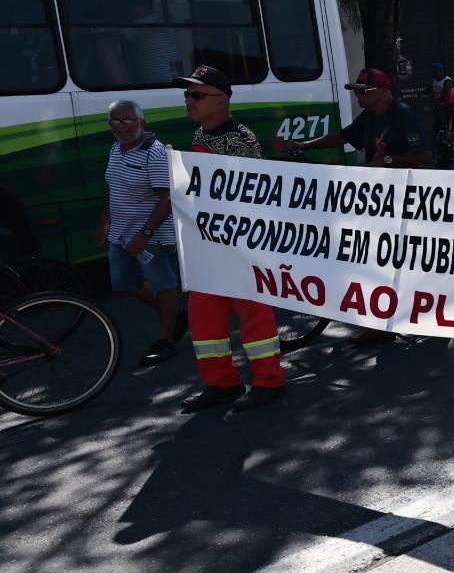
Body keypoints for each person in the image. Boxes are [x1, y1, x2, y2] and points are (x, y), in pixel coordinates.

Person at [172, 65, 289, 412]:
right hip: (209, 245)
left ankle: (269, 382)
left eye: (197, 94)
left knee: (254, 315)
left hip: (241, 245)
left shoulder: (239, 139)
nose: (189, 100)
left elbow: (248, 195)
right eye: (187, 94)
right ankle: (222, 383)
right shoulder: (202, 134)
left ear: (221, 100)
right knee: (204, 319)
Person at [95, 98, 183, 368]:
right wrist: (104, 222)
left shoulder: (154, 153)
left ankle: (167, 340)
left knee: (164, 284)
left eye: (128, 120)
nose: (121, 126)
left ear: (142, 122)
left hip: (151, 236)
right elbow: (114, 188)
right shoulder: (116, 148)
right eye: (115, 120)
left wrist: (144, 235)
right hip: (120, 233)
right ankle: (175, 315)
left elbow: (167, 199)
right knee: (125, 282)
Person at [283, 68, 432, 168]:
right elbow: (343, 136)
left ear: (383, 91)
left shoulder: (403, 114)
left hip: (406, 188)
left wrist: (387, 160)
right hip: (381, 185)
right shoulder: (368, 115)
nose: (358, 95)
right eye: (356, 91)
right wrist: (304, 145)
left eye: (363, 91)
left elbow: (425, 156)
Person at [429, 61, 454, 134]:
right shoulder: (435, 80)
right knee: (437, 128)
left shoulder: (447, 81)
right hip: (439, 108)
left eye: (435, 73)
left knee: (450, 131)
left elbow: (445, 96)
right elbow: (431, 88)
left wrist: (434, 102)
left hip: (448, 108)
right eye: (433, 73)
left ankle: (451, 137)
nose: (434, 75)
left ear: (441, 72)